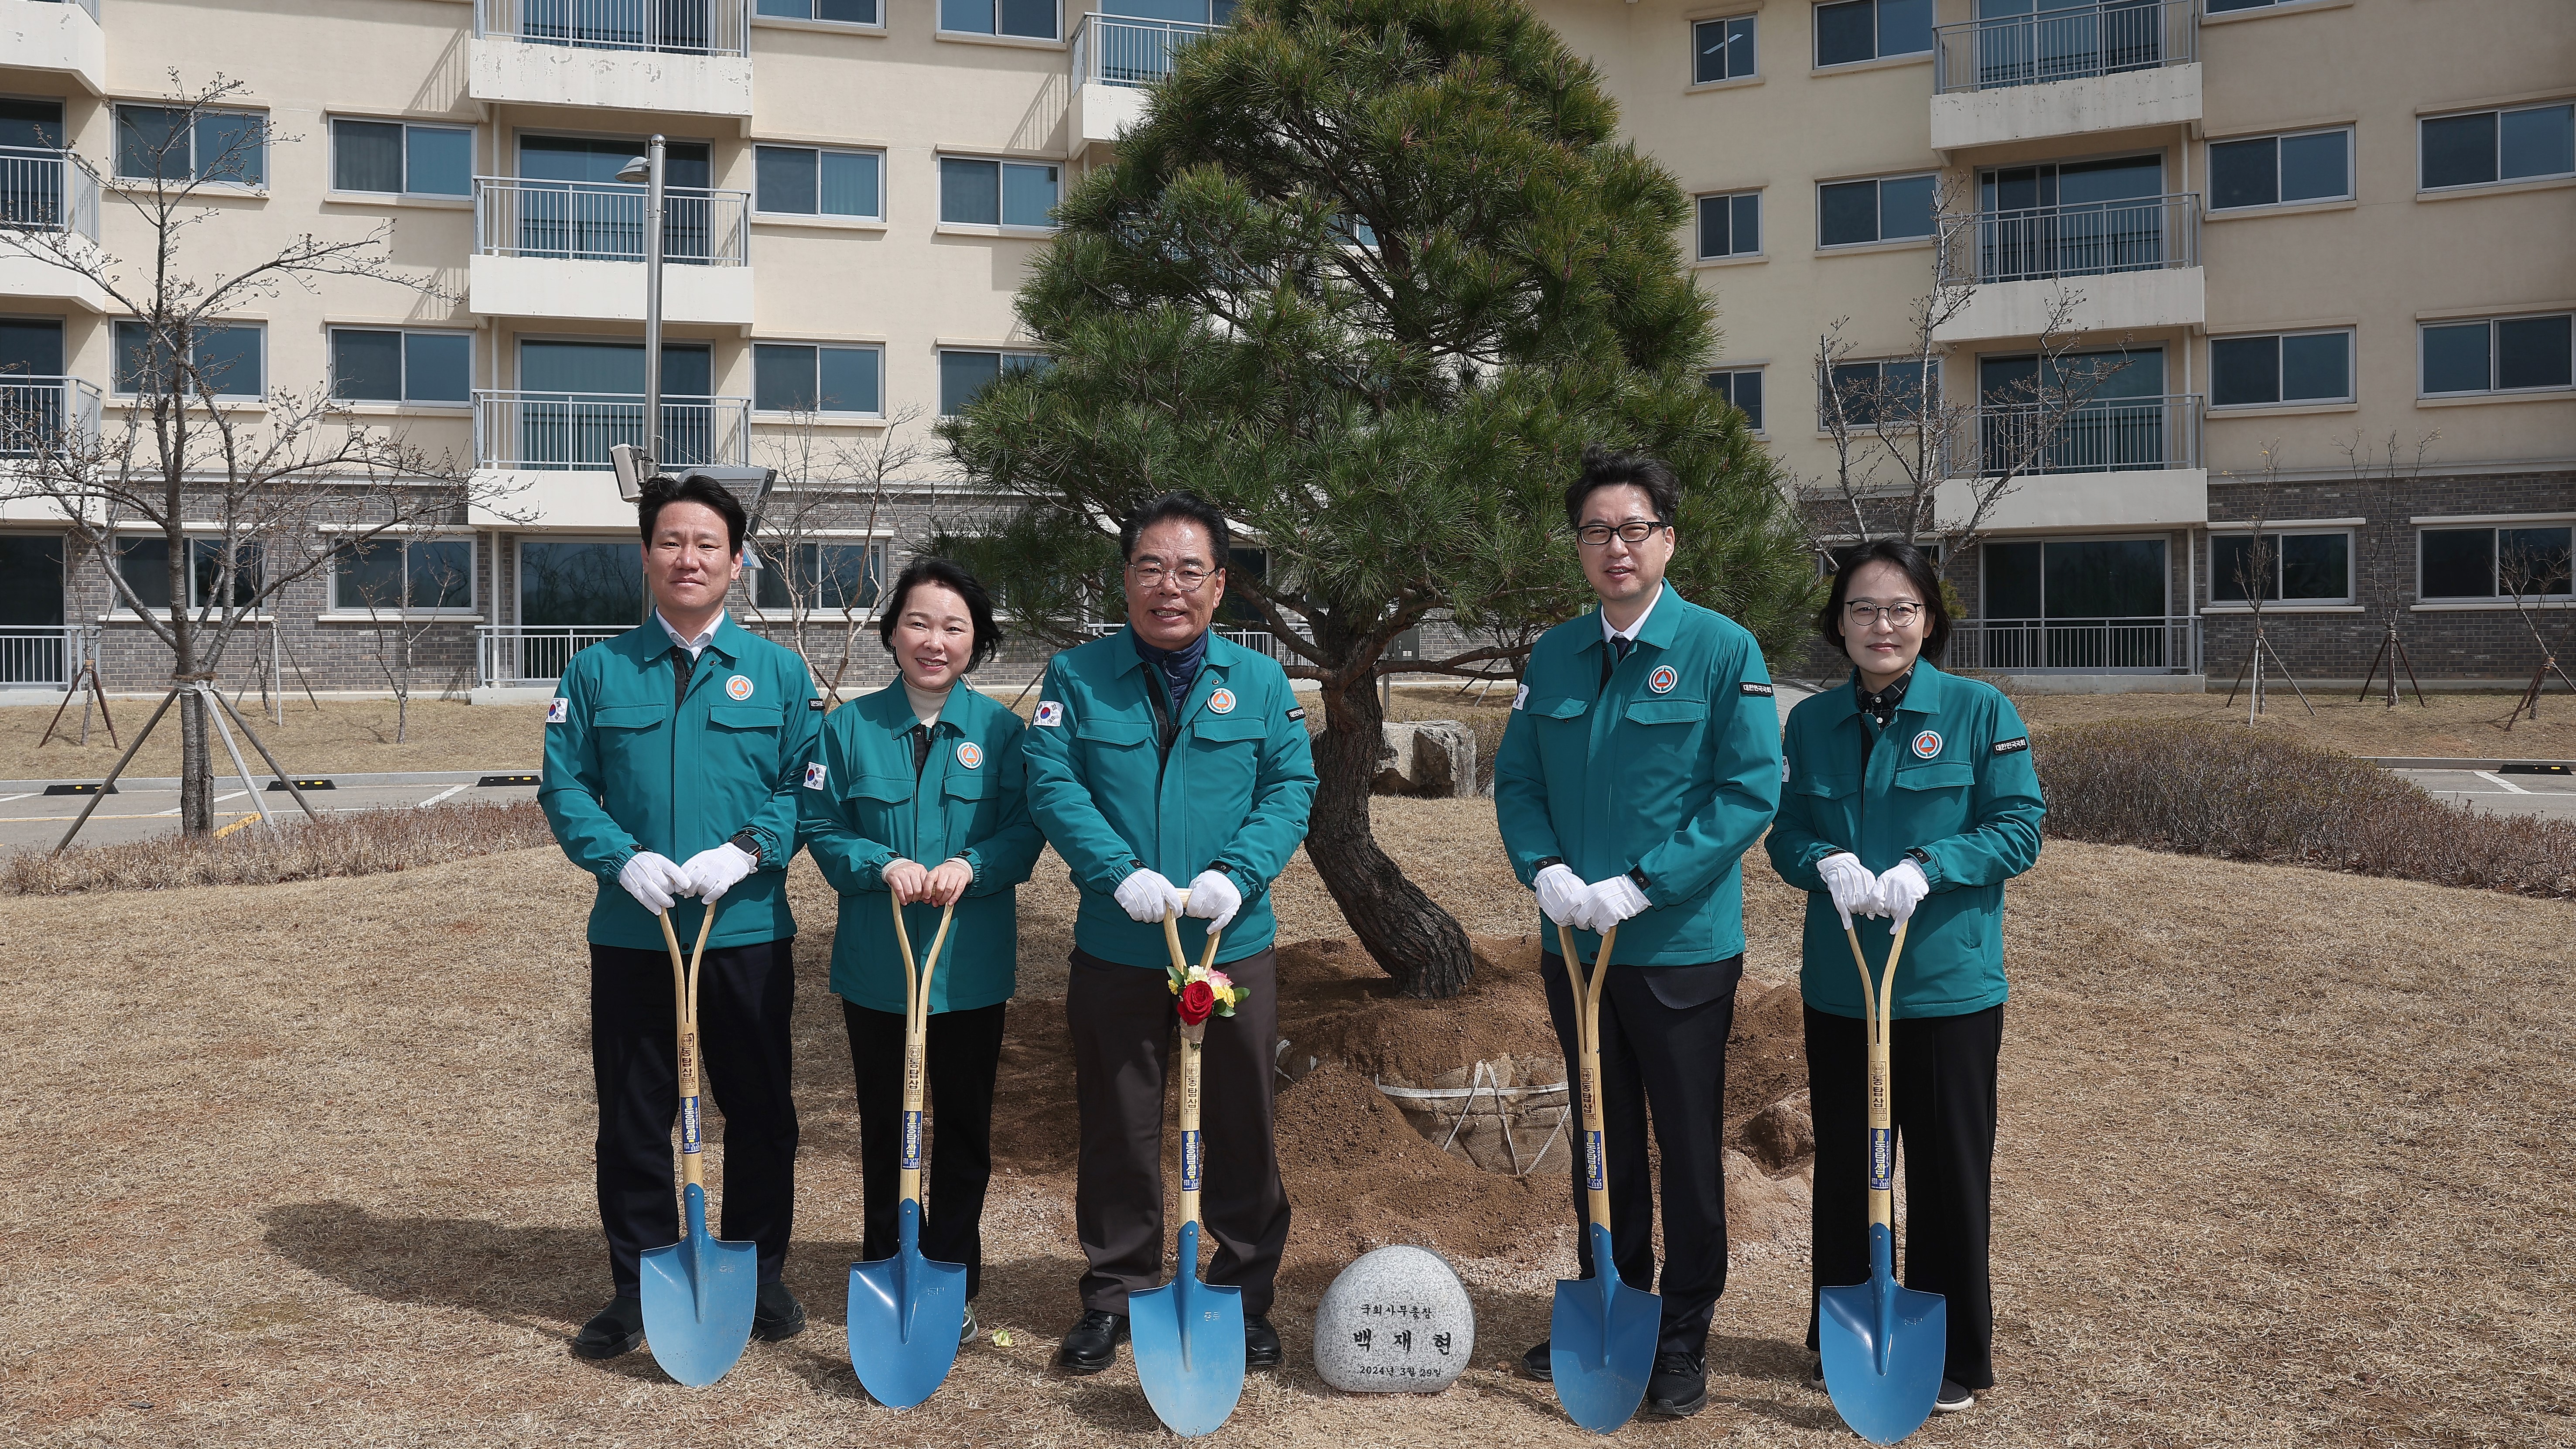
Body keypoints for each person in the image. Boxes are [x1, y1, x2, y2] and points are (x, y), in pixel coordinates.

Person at [1493, 446, 1785, 1418]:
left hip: (1679, 946)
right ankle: (1613, 1300)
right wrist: (1547, 870)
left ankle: (1685, 1330)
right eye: (1594, 531)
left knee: (1686, 1143)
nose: (1614, 547)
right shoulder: (1555, 652)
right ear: (1577, 545)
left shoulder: (1719, 648)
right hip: (1573, 941)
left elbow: (1748, 791)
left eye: (1633, 528)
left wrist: (1643, 884)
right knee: (1597, 1132)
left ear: (1667, 536)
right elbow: (1520, 779)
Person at [1020, 491, 1317, 1377]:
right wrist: (1120, 875)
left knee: (1241, 1121)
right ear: (1125, 579)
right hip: (1120, 944)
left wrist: (1239, 870)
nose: (1169, 586)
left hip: (1232, 943)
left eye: (1190, 569)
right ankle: (1114, 1293)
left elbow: (1290, 786)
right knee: (1116, 1120)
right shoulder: (1076, 678)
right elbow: (1052, 784)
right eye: (1150, 567)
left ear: (1220, 584)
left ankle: (1241, 1293)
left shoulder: (1261, 682)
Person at [539, 472, 822, 1360]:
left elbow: (804, 783)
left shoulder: (777, 671)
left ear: (737, 563)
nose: (687, 557)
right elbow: (565, 784)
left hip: (743, 931)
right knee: (633, 1113)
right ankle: (639, 1282)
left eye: (707, 544)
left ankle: (757, 1268)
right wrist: (621, 858)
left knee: (760, 1108)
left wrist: (746, 849)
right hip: (635, 933)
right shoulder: (596, 670)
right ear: (646, 557)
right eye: (670, 541)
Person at [1764, 538, 2044, 1416]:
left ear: (1929, 620)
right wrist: (1823, 861)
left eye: (1900, 609)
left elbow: (2019, 826)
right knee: (1848, 1160)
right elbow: (1784, 833)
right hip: (1844, 982)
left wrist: (1932, 861)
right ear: (1836, 623)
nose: (1880, 625)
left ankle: (1955, 1349)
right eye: (1861, 608)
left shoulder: (1976, 709)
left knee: (1948, 1166)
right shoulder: (1809, 723)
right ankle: (1842, 1333)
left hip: (1944, 982)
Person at [801, 557, 1042, 1345]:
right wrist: (880, 864)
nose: (933, 641)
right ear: (892, 631)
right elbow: (822, 827)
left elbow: (1025, 831)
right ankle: (887, 1265)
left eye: (953, 627)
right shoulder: (846, 728)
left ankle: (953, 1278)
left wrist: (973, 864)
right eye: (918, 622)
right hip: (879, 964)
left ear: (977, 642)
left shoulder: (1004, 735)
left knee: (964, 1129)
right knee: (884, 1124)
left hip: (968, 967)